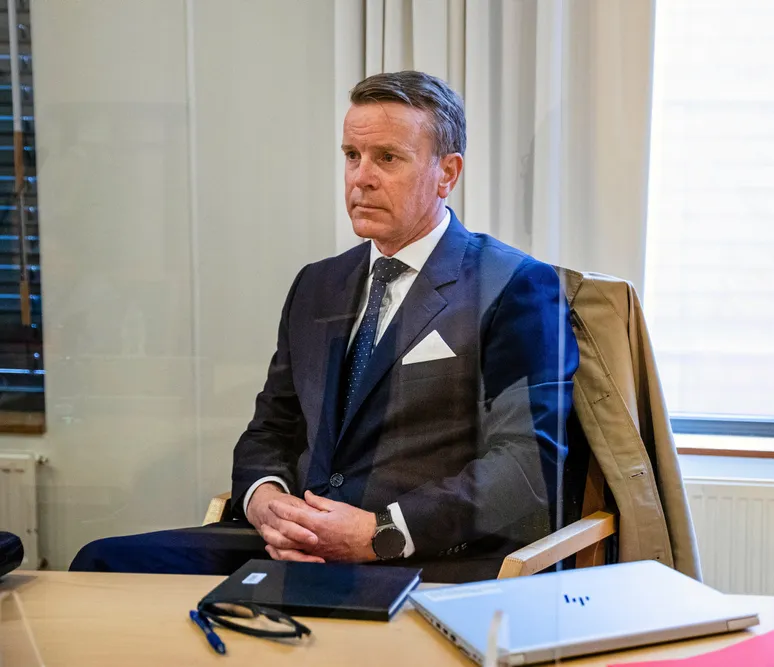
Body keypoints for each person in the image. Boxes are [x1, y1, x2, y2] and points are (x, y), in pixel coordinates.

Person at [71, 70, 580, 583]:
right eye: (352, 156)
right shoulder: (317, 285)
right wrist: (266, 501)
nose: (361, 177)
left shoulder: (511, 285)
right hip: (295, 545)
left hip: (421, 558)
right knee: (102, 564)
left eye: (388, 158)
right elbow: (271, 429)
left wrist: (380, 532)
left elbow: (528, 464)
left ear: (447, 173)